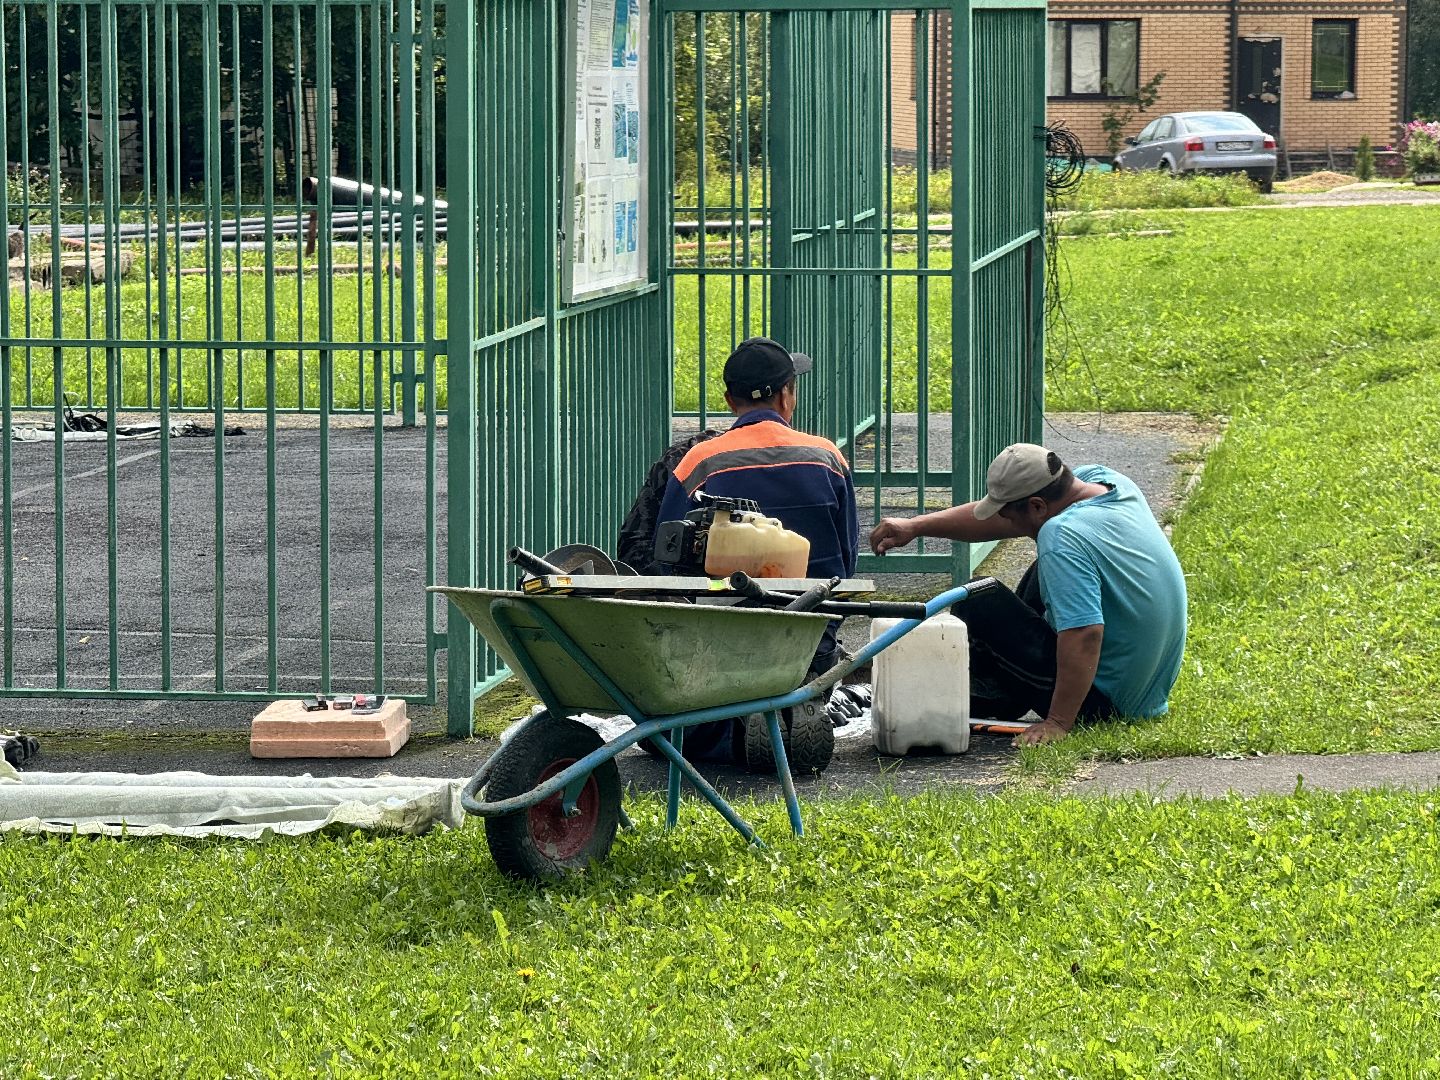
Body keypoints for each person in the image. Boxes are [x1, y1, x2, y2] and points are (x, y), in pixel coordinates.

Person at [870, 443, 1187, 746]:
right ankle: (1000, 686)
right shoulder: (1104, 482)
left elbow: (1086, 633)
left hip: (1104, 703)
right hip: (1143, 691)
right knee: (1044, 568)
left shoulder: (1062, 535)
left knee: (979, 600)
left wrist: (1058, 722)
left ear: (1037, 506)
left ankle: (992, 695)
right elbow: (996, 520)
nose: (1005, 521)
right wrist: (915, 526)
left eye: (1008, 515)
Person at [651, 336, 861, 760]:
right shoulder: (827, 458)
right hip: (809, 641)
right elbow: (847, 558)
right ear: (787, 394)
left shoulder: (698, 463)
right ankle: (789, 707)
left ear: (730, 400)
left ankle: (736, 723)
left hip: (719, 647)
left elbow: (668, 561)